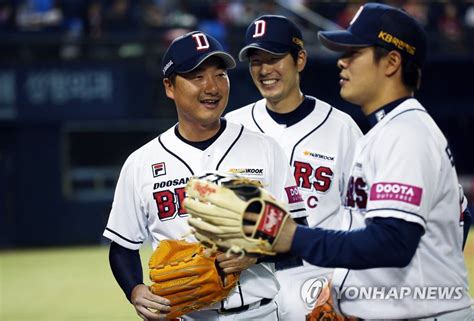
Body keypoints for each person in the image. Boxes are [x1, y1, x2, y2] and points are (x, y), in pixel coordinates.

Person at [260, 3, 472, 320]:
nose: (341, 63)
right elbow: (461, 213)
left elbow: (392, 243)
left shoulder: (405, 134)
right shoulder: (387, 130)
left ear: (391, 62)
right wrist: (349, 286)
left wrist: (293, 236)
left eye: (354, 53)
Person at [103, 30, 307, 321]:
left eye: (220, 75)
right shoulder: (141, 163)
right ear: (170, 87)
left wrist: (259, 253)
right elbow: (122, 247)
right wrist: (134, 290)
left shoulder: (264, 149)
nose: (212, 87)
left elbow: (300, 233)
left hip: (261, 313)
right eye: (197, 76)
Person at [225, 15, 362, 320]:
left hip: (318, 281)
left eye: (274, 58)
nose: (264, 70)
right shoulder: (232, 126)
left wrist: (350, 285)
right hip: (250, 285)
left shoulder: (341, 128)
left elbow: (363, 217)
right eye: (256, 60)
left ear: (300, 59)